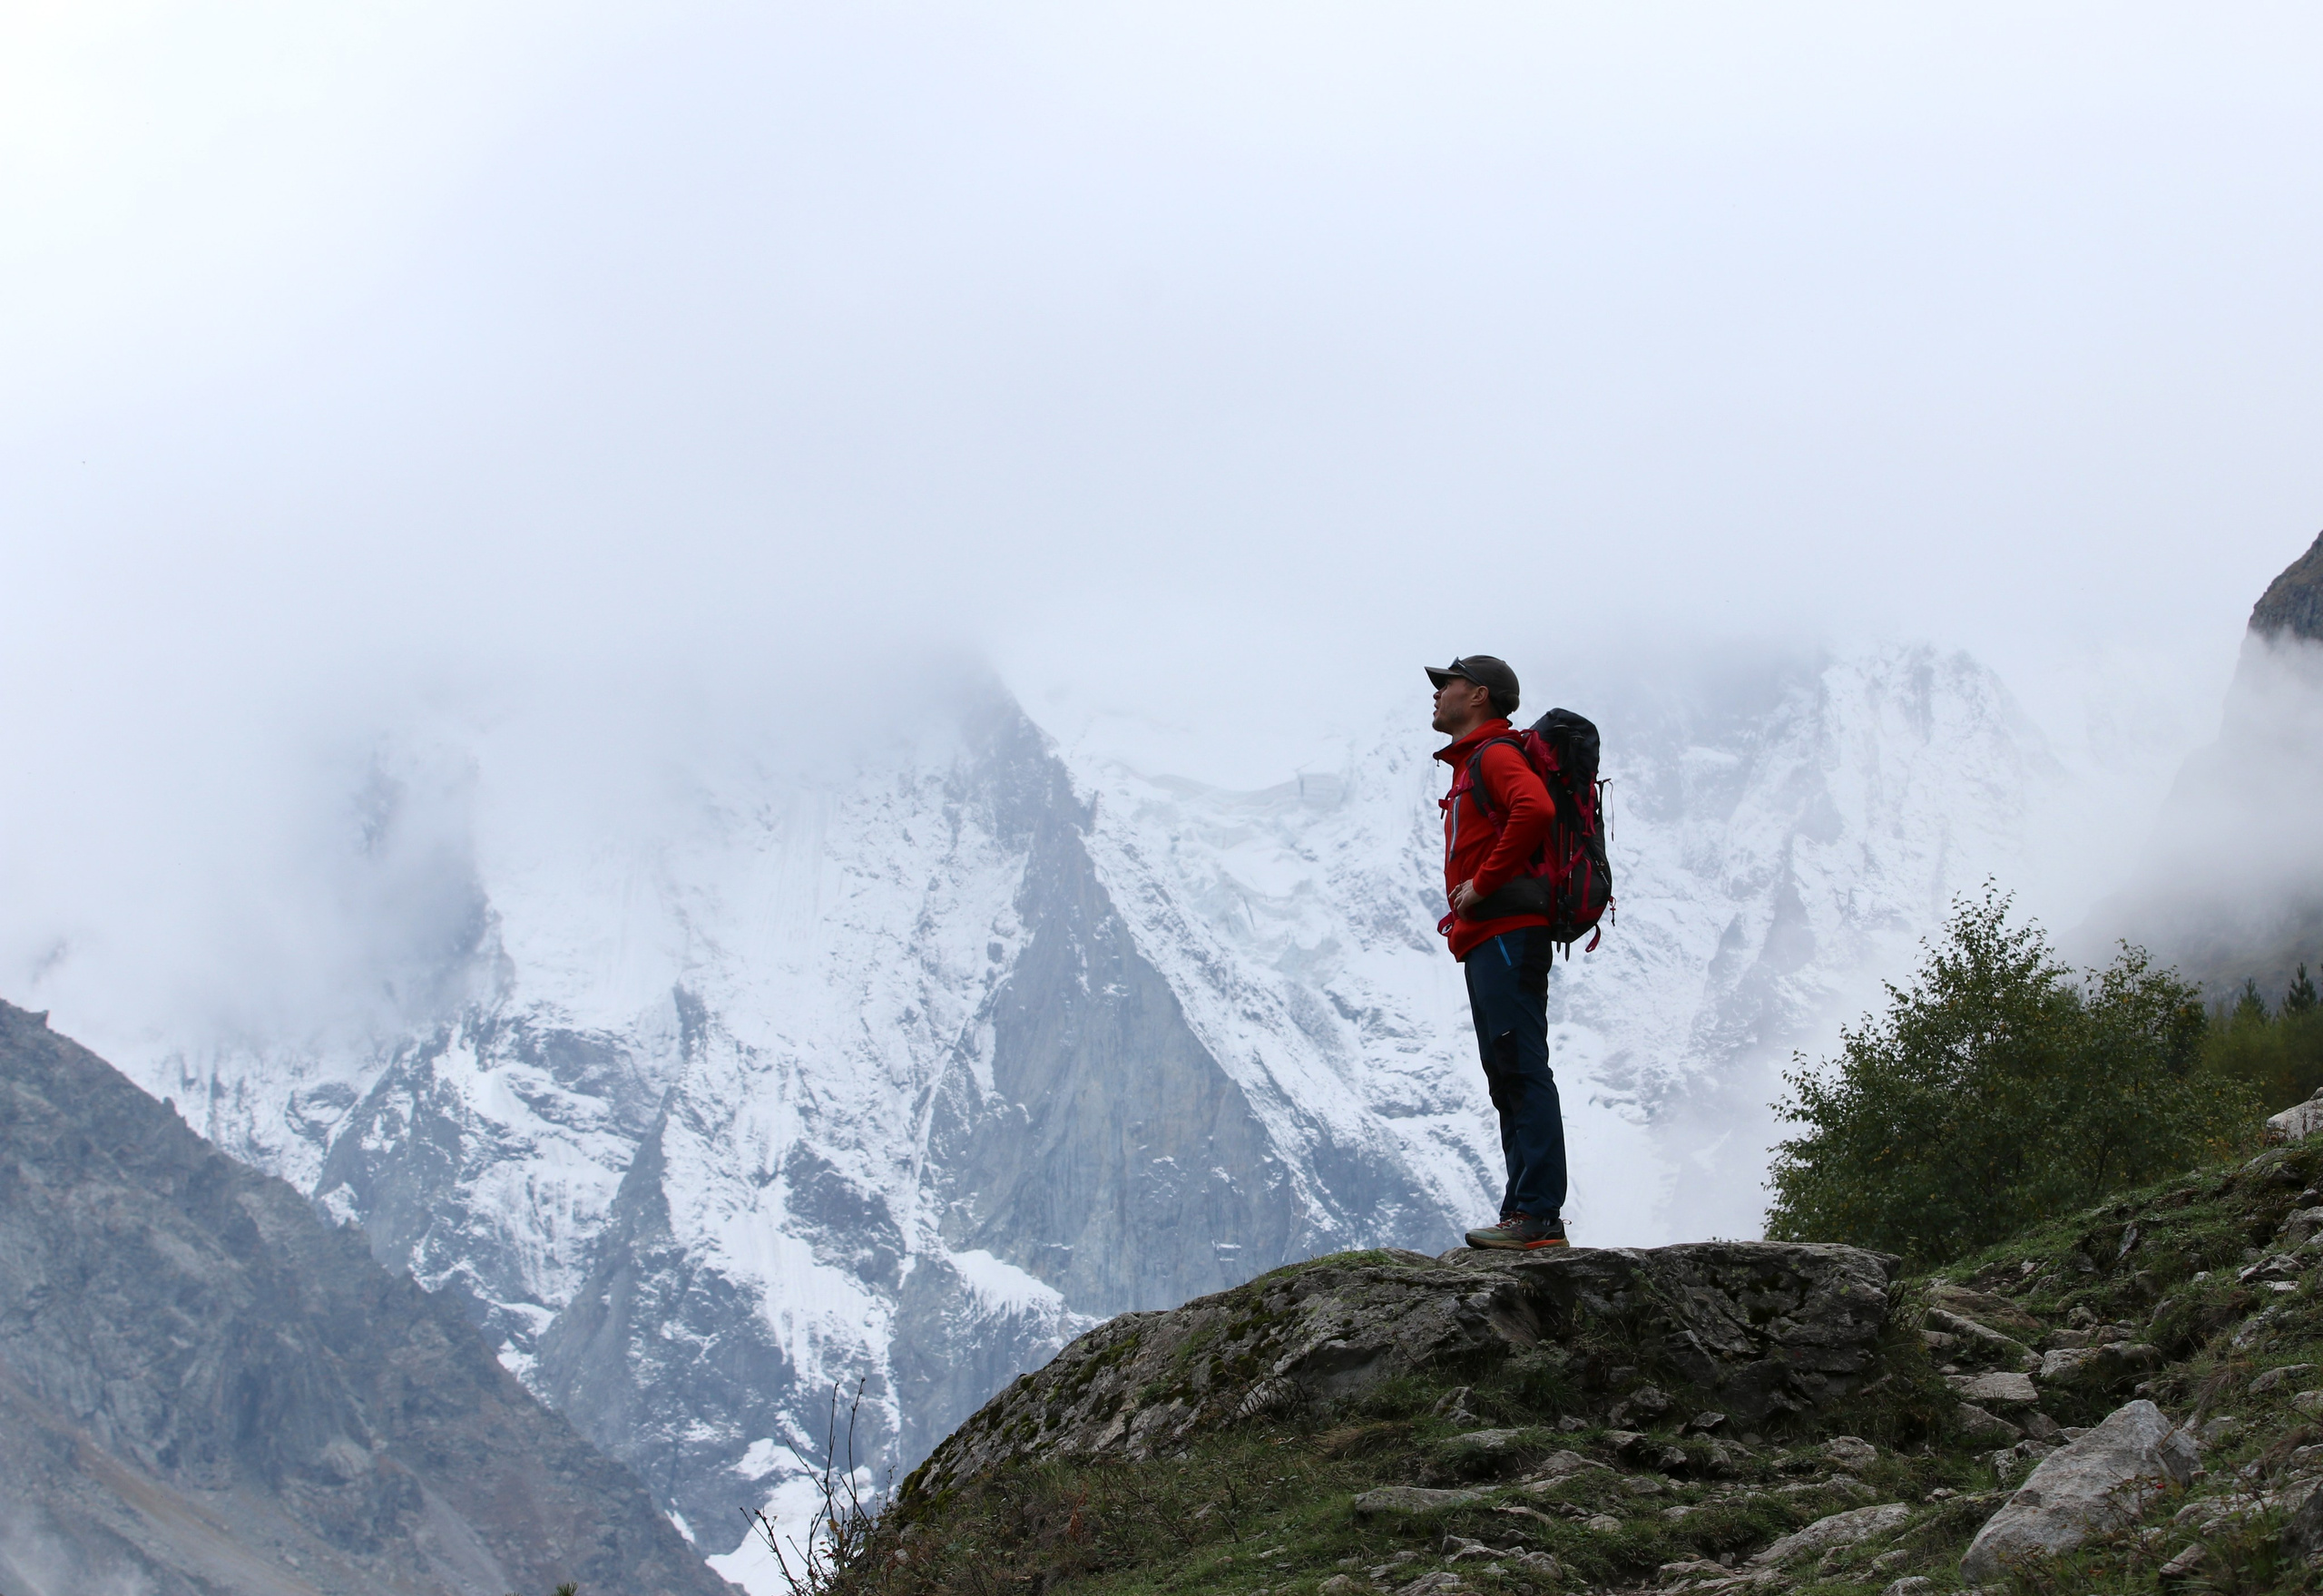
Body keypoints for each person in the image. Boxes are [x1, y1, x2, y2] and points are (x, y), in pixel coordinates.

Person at [1426, 655, 1571, 1250]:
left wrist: (1482, 884)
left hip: (1508, 930)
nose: (1436, 694)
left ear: (1479, 694)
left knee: (1521, 1065)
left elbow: (1536, 808)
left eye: (1447, 684)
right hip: (1490, 936)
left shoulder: (1494, 756)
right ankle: (1522, 1211)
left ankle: (1538, 1212)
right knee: (1506, 1072)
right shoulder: (1474, 762)